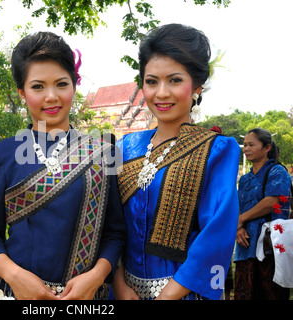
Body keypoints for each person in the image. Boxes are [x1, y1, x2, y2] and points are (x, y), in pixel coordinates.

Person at [0, 31, 126, 300]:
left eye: (61, 84)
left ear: (75, 86)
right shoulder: (0, 154)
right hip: (17, 295)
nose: (51, 96)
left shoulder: (102, 152)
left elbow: (114, 233)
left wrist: (96, 276)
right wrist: (15, 277)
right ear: (22, 92)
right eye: (38, 86)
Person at [111, 23, 241, 300]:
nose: (161, 93)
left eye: (175, 80)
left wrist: (168, 296)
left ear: (196, 86)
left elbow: (217, 233)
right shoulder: (125, 146)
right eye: (151, 81)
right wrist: (119, 283)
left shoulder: (216, 149)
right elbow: (110, 223)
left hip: (185, 293)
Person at [233, 128, 292, 300]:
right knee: (245, 294)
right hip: (245, 246)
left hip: (271, 246)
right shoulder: (244, 179)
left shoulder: (277, 172)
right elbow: (238, 205)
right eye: (245, 145)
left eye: (251, 144)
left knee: (270, 294)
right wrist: (238, 229)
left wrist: (240, 220)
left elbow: (272, 202)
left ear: (267, 147)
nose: (246, 148)